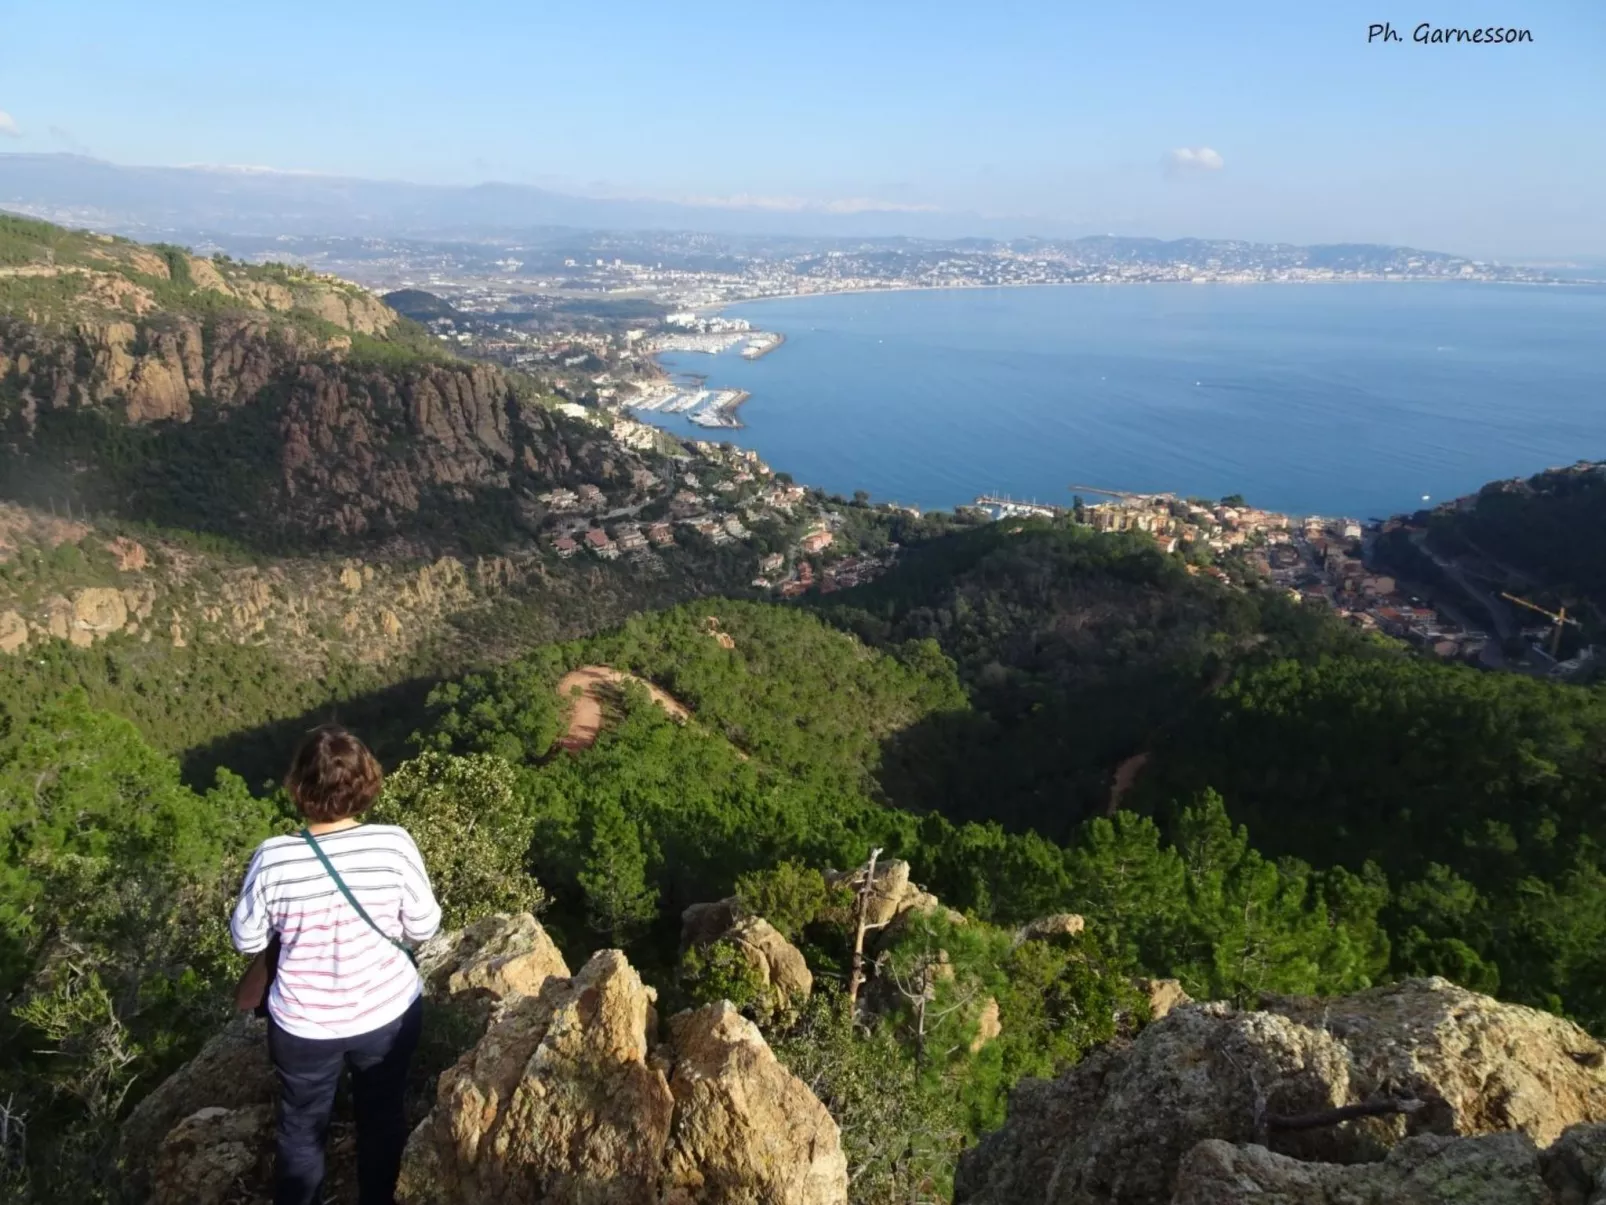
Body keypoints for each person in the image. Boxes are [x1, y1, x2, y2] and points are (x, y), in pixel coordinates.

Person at [231, 725, 441, 1205]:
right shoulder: (394, 844)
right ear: (368, 783)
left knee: (301, 1132)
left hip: (304, 1026)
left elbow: (246, 940)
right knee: (383, 1120)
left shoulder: (273, 857)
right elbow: (424, 926)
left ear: (298, 787)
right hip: (388, 1013)